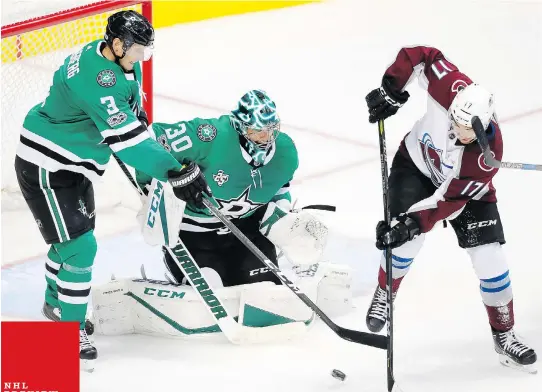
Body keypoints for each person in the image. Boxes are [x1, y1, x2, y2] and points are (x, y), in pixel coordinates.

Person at [13, 10, 205, 370]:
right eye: (137, 52)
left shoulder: (115, 59)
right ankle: (65, 334)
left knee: (70, 242)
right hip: (47, 165)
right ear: (117, 44)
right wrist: (173, 170)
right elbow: (128, 144)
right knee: (81, 247)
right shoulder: (98, 79)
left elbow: (134, 116)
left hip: (73, 163)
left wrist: (154, 149)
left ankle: (55, 303)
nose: (141, 58)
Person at [364, 46, 536, 370]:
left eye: (465, 130)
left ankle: (505, 333)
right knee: (404, 242)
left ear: (483, 127)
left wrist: (411, 222)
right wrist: (392, 88)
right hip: (415, 164)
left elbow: (447, 201)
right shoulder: (451, 86)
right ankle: (385, 291)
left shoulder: (485, 158)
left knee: (490, 258)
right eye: (454, 122)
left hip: (462, 192)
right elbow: (422, 55)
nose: (456, 131)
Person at [136, 89, 316, 288]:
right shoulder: (209, 136)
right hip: (193, 234)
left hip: (247, 231)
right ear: (239, 126)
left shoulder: (286, 151)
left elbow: (281, 188)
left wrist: (283, 219)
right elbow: (149, 140)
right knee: (209, 288)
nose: (266, 136)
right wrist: (165, 179)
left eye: (272, 128)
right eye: (257, 130)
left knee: (263, 288)